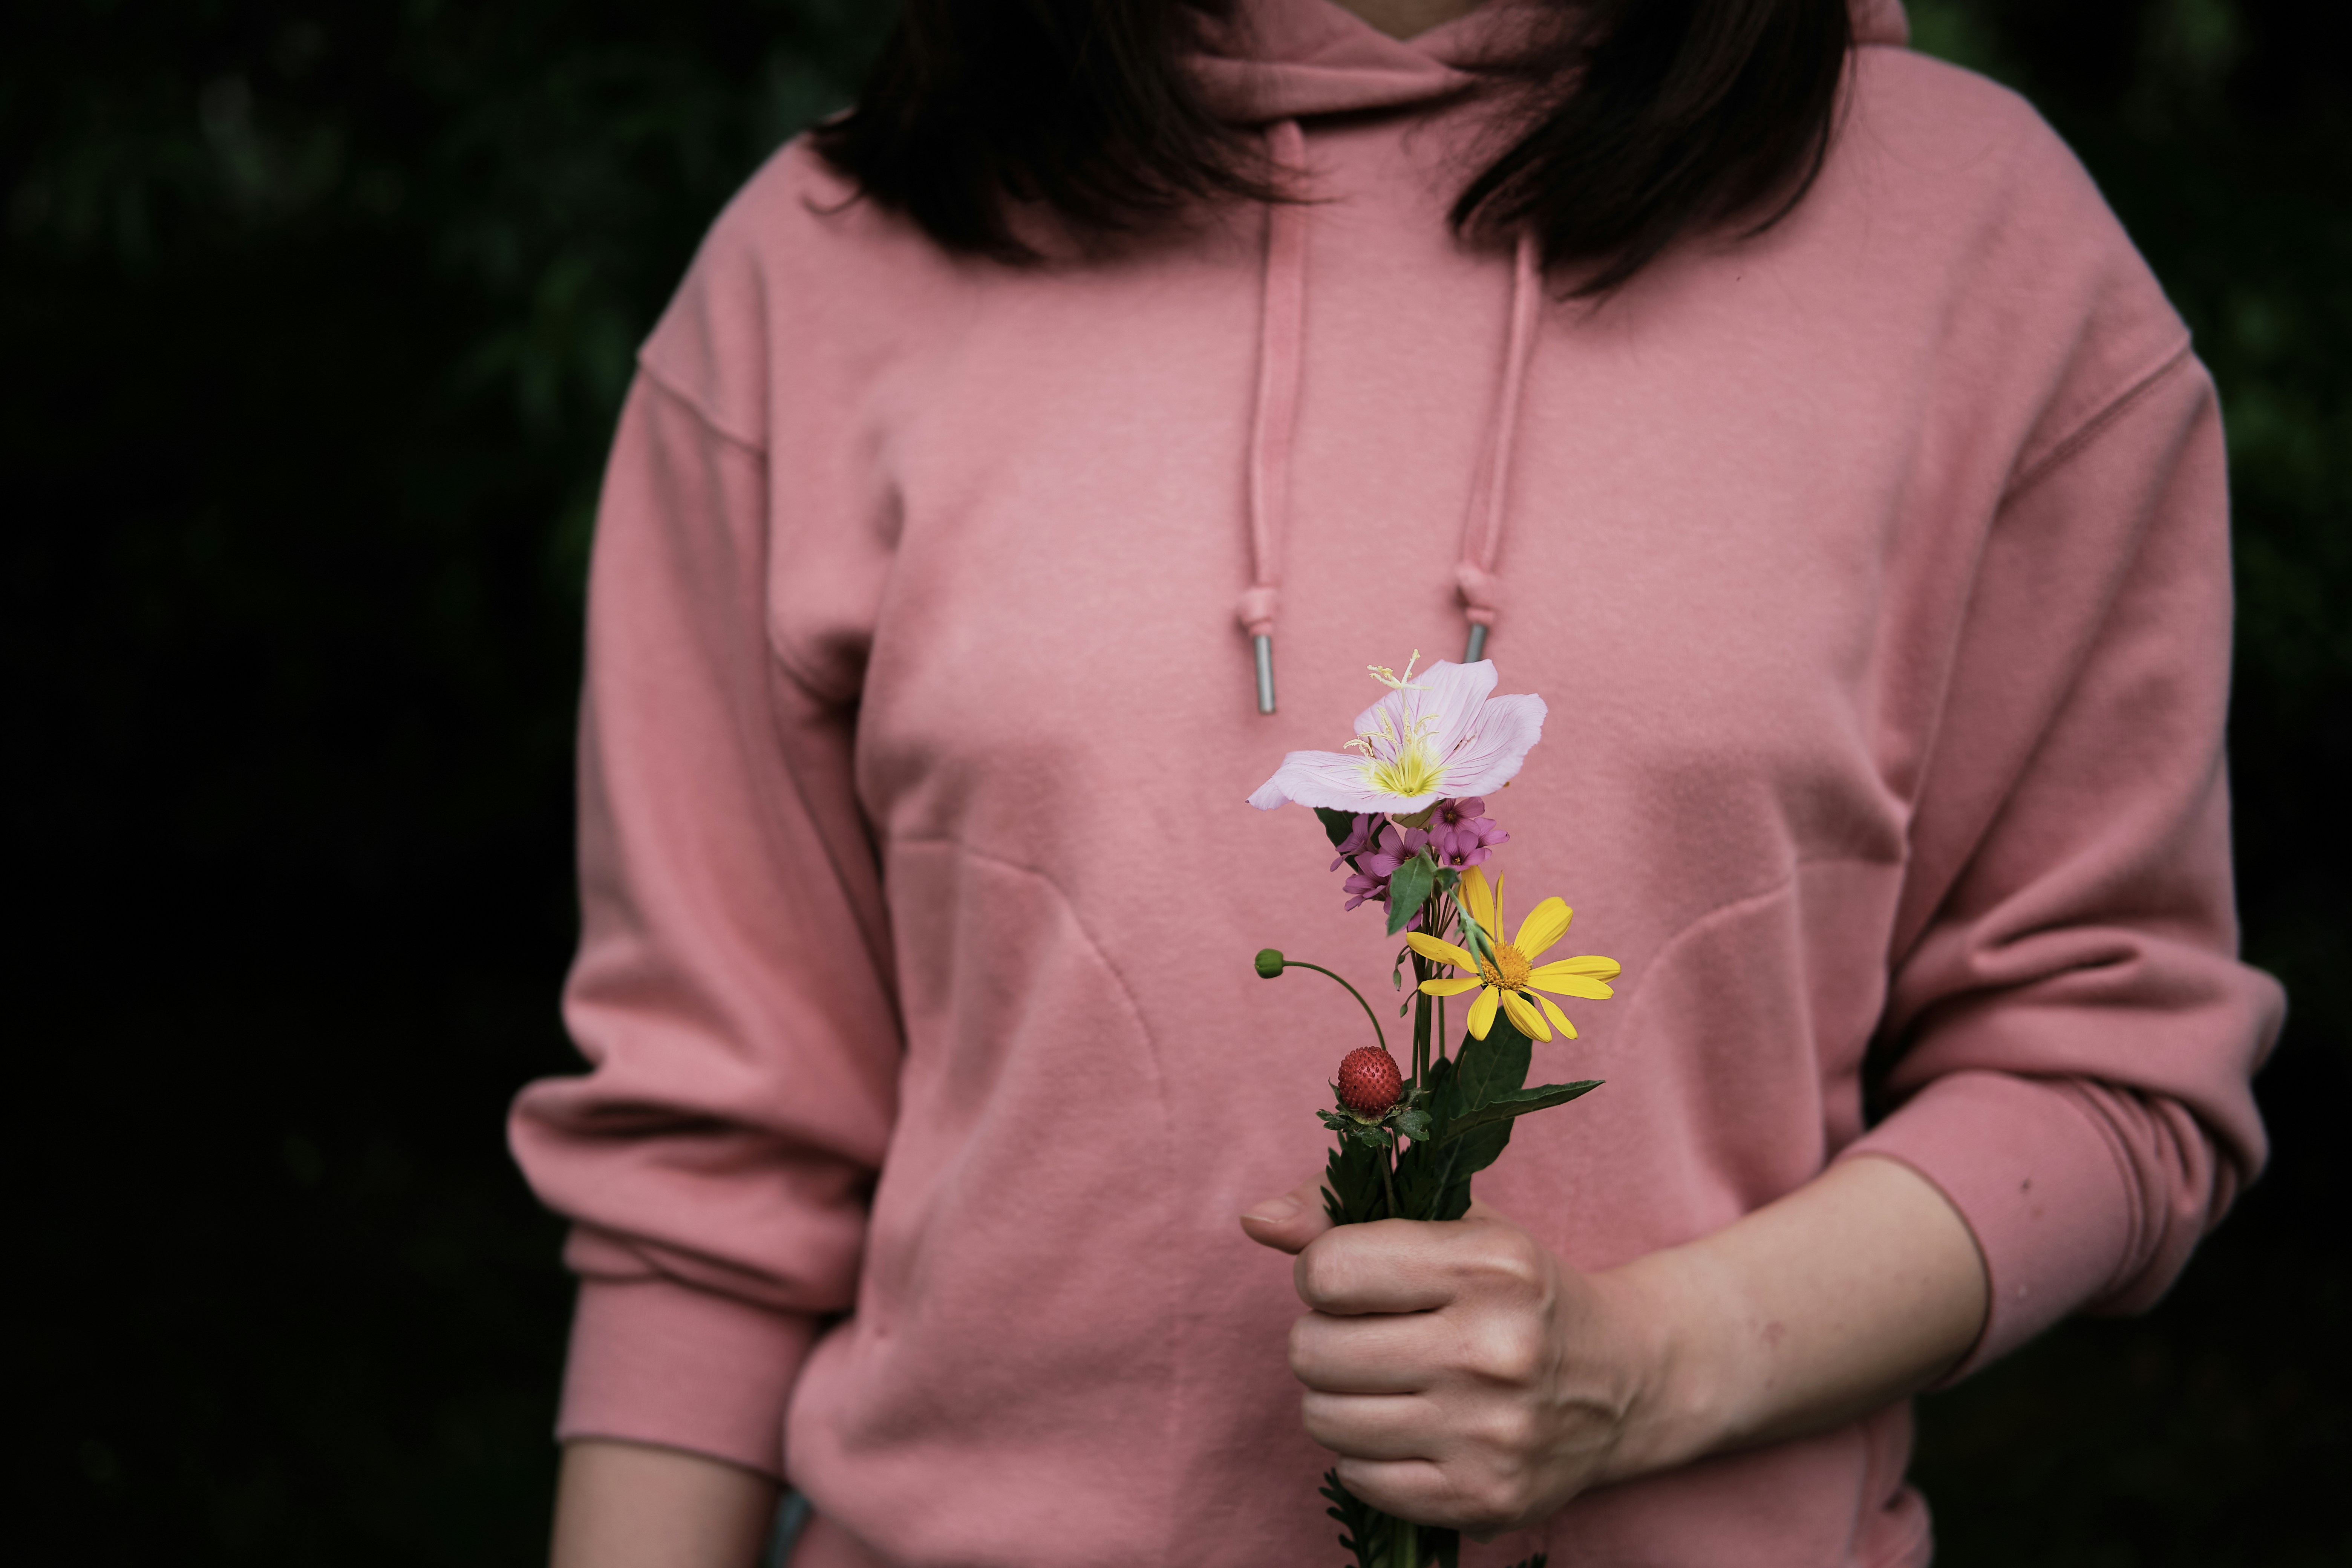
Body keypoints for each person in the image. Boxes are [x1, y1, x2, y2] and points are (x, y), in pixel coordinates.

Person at [510, 1, 2283, 1563]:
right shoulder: (826, 265)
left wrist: (1654, 1362)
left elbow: (2104, 1059)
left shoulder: (1978, 245)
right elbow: (708, 1177)